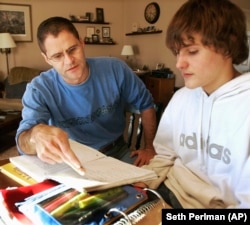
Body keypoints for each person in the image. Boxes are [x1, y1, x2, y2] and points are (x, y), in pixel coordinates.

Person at [136, 0, 250, 208]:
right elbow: (164, 156)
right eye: (177, 52)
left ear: (228, 45)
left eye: (192, 51)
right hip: (163, 191)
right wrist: (138, 185)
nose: (179, 63)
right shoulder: (182, 97)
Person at [16, 16, 157, 175]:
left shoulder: (115, 69)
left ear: (82, 44)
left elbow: (146, 104)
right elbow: (22, 142)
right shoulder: (38, 89)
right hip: (70, 159)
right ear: (47, 59)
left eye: (72, 49)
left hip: (117, 152)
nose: (69, 61)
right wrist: (35, 134)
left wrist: (150, 148)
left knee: (147, 189)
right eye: (57, 56)